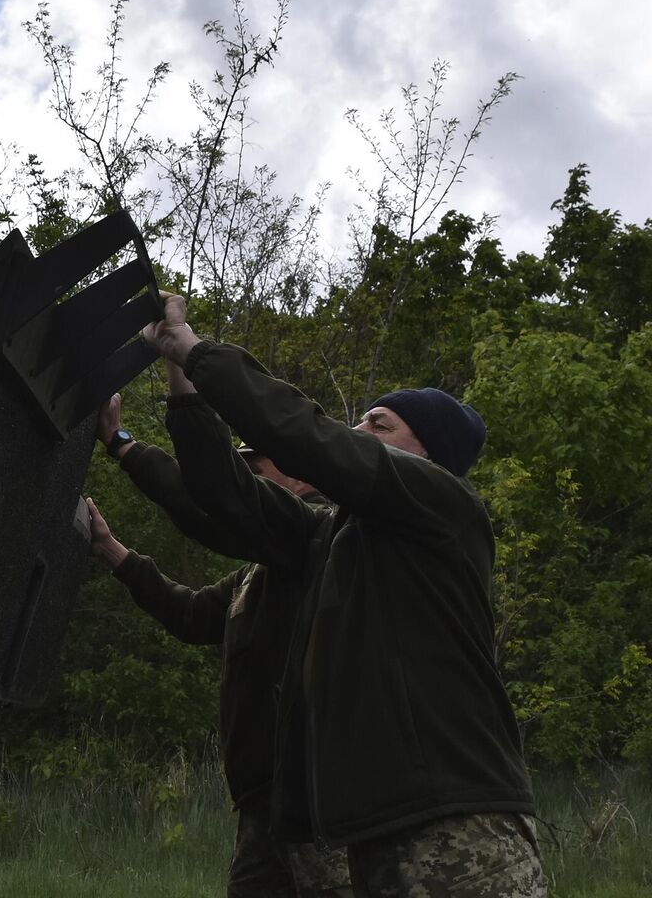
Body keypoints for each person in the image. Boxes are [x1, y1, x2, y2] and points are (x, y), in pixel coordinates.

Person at [144, 292, 544, 897]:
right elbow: (228, 497)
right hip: (372, 830)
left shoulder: (445, 506)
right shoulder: (332, 533)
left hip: (459, 820)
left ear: (430, 456)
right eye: (361, 422)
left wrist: (200, 351)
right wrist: (181, 383)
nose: (358, 430)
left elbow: (314, 439)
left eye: (378, 425)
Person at [90, 391, 350, 897]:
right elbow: (192, 616)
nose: (247, 481)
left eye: (258, 468)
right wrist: (112, 551)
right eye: (244, 468)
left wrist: (122, 443)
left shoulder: (321, 545)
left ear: (302, 477)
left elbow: (205, 498)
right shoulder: (260, 572)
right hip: (261, 801)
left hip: (318, 798)